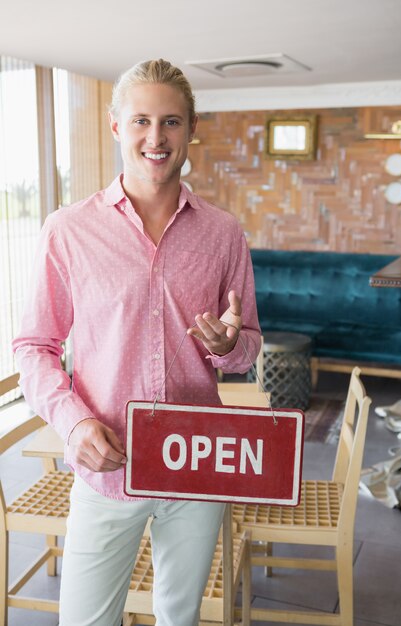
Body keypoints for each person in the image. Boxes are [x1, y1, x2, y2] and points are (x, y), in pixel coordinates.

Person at [12, 58, 261, 626]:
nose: (156, 137)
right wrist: (73, 423)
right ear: (116, 125)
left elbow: (249, 344)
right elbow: (34, 345)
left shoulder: (223, 233)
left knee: (181, 617)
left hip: (198, 465)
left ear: (192, 128)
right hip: (106, 470)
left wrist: (228, 348)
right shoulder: (68, 230)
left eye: (171, 122)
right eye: (142, 120)